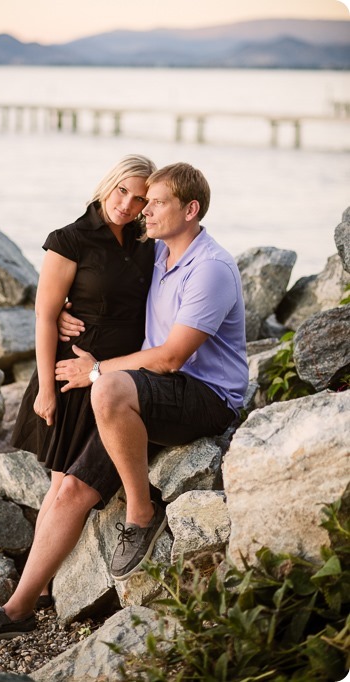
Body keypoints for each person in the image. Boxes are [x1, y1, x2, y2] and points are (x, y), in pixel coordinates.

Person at [0, 154, 157, 646]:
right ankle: (32, 593)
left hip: (113, 377)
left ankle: (34, 589)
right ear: (106, 186)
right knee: (62, 483)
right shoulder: (69, 238)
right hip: (68, 378)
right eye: (122, 192)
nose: (129, 205)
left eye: (140, 198)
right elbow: (46, 318)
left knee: (64, 487)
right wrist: (45, 388)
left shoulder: (144, 238)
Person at [55, 162, 248, 582]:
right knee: (70, 489)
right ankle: (20, 605)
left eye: (157, 203)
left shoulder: (210, 267)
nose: (145, 211)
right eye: (147, 202)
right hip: (156, 391)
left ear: (191, 209)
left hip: (208, 397)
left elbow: (171, 358)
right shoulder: (158, 253)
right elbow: (104, 279)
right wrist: (60, 313)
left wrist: (97, 369)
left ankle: (142, 513)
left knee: (105, 391)